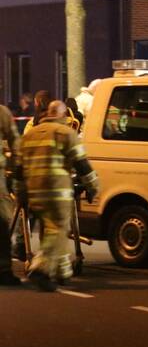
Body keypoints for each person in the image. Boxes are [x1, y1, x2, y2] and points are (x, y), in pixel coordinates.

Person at [11, 100, 100, 291]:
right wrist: (93, 187)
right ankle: (40, 267)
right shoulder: (66, 133)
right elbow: (82, 164)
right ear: (61, 115)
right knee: (58, 229)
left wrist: (20, 192)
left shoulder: (29, 135)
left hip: (35, 192)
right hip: (57, 191)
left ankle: (62, 271)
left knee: (52, 228)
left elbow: (18, 169)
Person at [0, 103, 21, 286]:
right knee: (1, 221)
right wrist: (17, 171)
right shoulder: (2, 113)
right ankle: (4, 271)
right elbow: (15, 144)